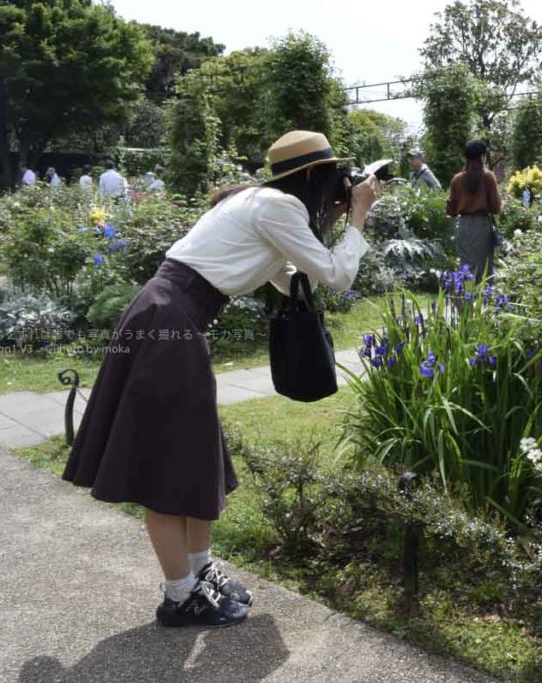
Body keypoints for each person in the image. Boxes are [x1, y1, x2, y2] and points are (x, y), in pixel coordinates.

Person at [62, 130, 378, 628]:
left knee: (194, 453)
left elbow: (302, 275)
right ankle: (179, 595)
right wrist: (359, 215)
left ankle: (198, 574)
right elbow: (338, 276)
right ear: (316, 177)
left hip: (169, 317)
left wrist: (335, 217)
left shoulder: (263, 204)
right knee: (165, 464)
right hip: (170, 320)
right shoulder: (276, 207)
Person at [446, 140, 501, 279]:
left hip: (464, 226)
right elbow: (495, 208)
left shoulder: (457, 179)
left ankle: (466, 297)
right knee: (484, 268)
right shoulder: (488, 177)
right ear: (482, 156)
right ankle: (483, 298)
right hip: (482, 226)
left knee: (466, 267)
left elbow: (451, 210)